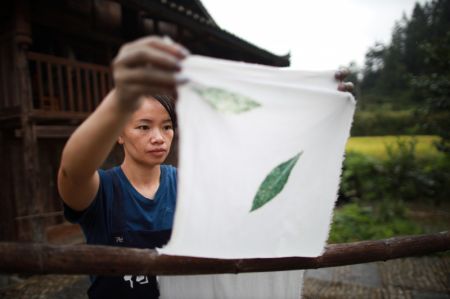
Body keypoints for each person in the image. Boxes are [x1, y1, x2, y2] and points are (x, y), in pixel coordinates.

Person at [58, 36, 353, 299]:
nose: (159, 138)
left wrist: (314, 109)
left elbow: (248, 196)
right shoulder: (104, 191)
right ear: (119, 134)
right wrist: (122, 98)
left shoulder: (187, 185)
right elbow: (72, 173)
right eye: (143, 127)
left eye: (167, 126)